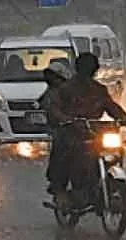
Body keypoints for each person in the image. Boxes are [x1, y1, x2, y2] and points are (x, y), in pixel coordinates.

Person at [46, 53, 126, 208]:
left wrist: (124, 118)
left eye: (90, 69)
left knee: (116, 149)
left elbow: (111, 106)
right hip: (72, 131)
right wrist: (67, 120)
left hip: (94, 131)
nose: (88, 73)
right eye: (86, 69)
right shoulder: (66, 89)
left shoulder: (99, 89)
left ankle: (100, 184)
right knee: (65, 150)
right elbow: (54, 109)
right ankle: (61, 189)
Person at [39, 59, 74, 197]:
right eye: (50, 76)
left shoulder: (72, 89)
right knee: (60, 148)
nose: (53, 79)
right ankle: (57, 182)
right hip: (61, 126)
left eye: (55, 76)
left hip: (77, 126)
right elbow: (49, 107)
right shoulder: (52, 92)